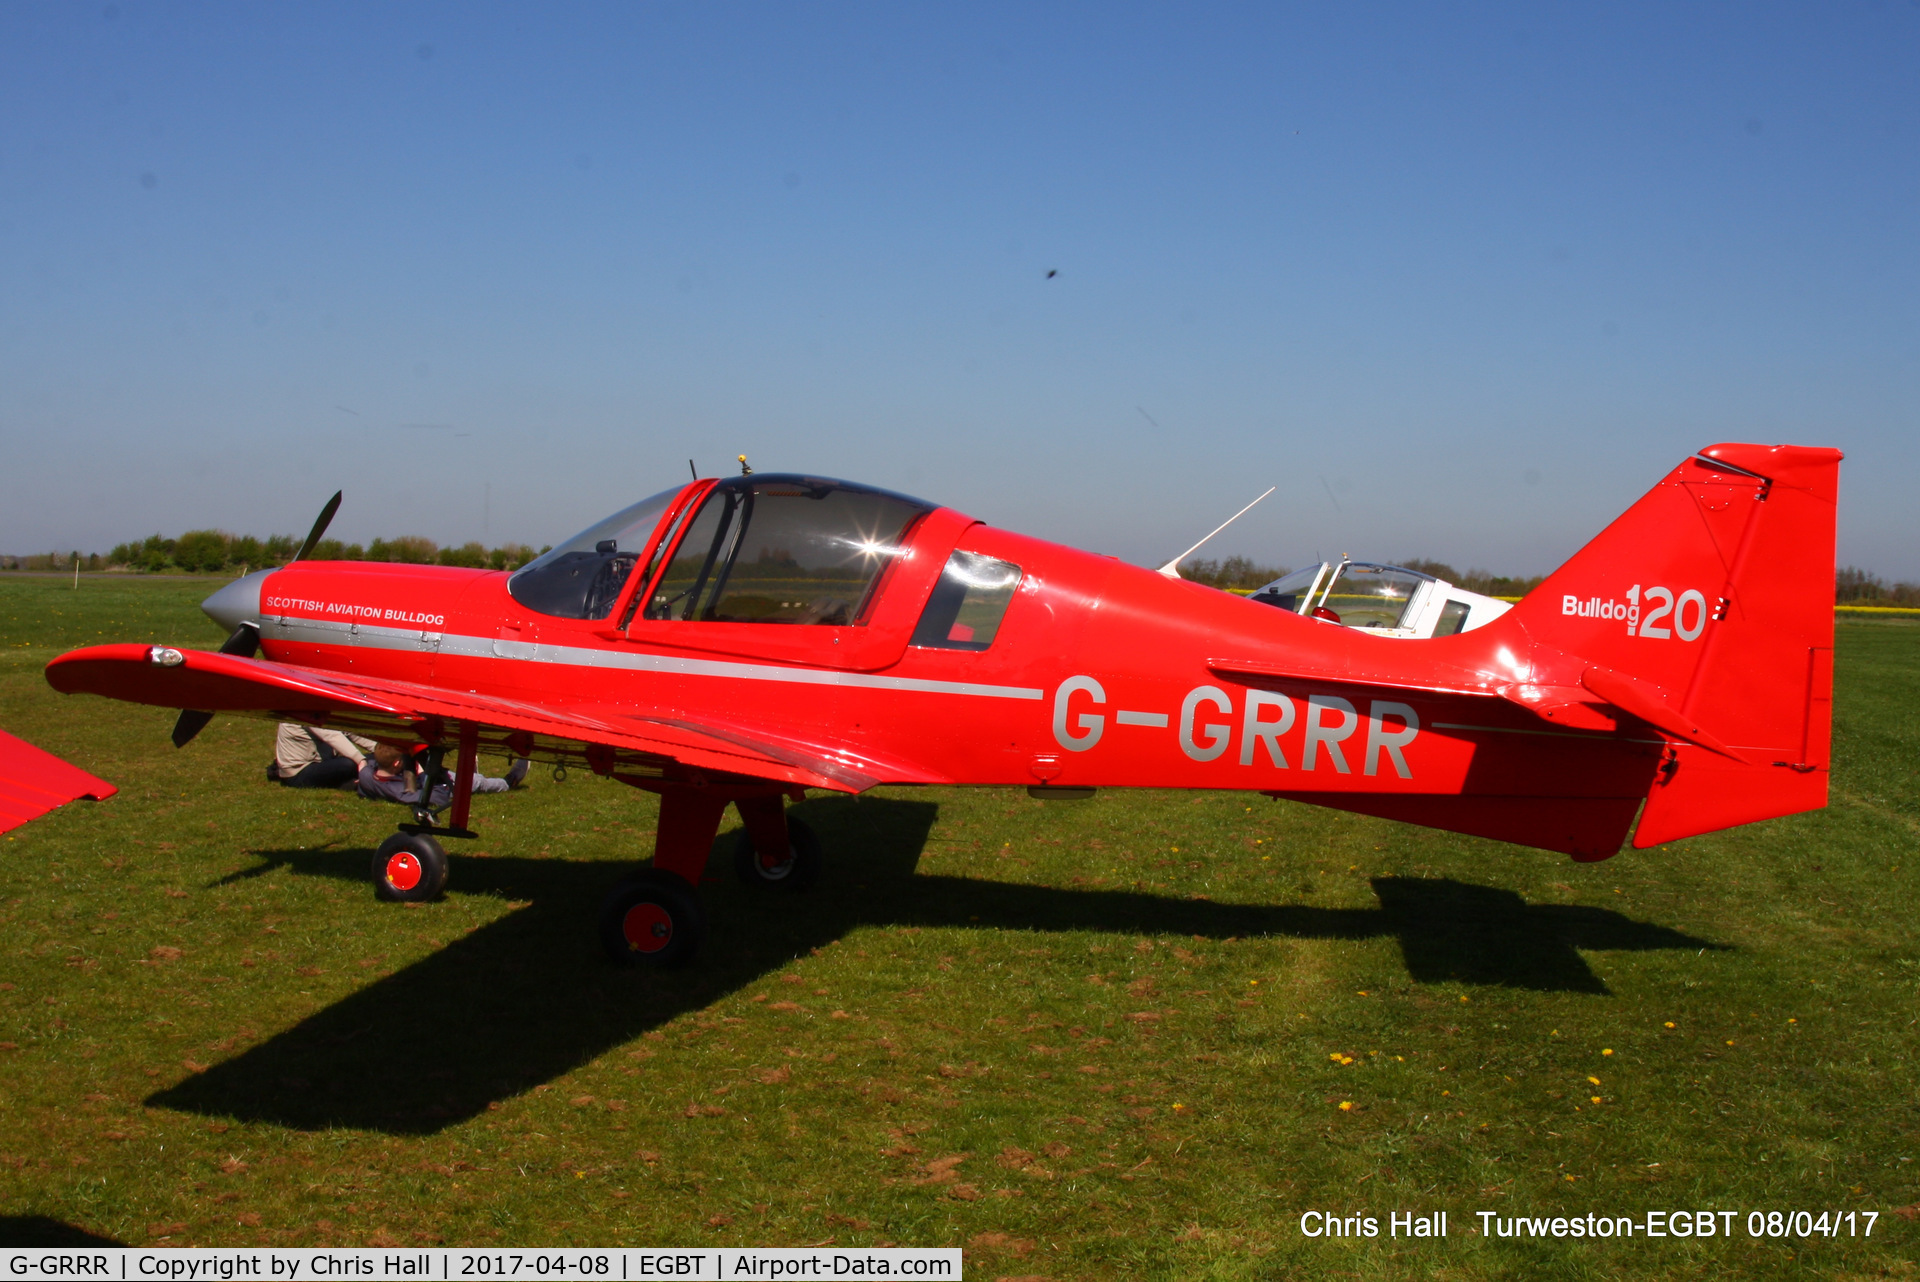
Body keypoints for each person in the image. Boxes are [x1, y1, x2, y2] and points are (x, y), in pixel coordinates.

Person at [356, 742, 529, 809]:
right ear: (396, 763)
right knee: (478, 783)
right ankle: (508, 782)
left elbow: (366, 767)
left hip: (425, 777)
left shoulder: (367, 775)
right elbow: (437, 797)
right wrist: (430, 775)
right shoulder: (398, 791)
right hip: (443, 784)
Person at [271, 723, 378, 789]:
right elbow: (330, 736)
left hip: (322, 763)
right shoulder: (305, 709)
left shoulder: (323, 709)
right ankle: (351, 783)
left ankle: (350, 782)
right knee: (349, 764)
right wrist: (360, 760)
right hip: (298, 772)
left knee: (375, 759)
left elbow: (349, 732)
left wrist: (380, 750)